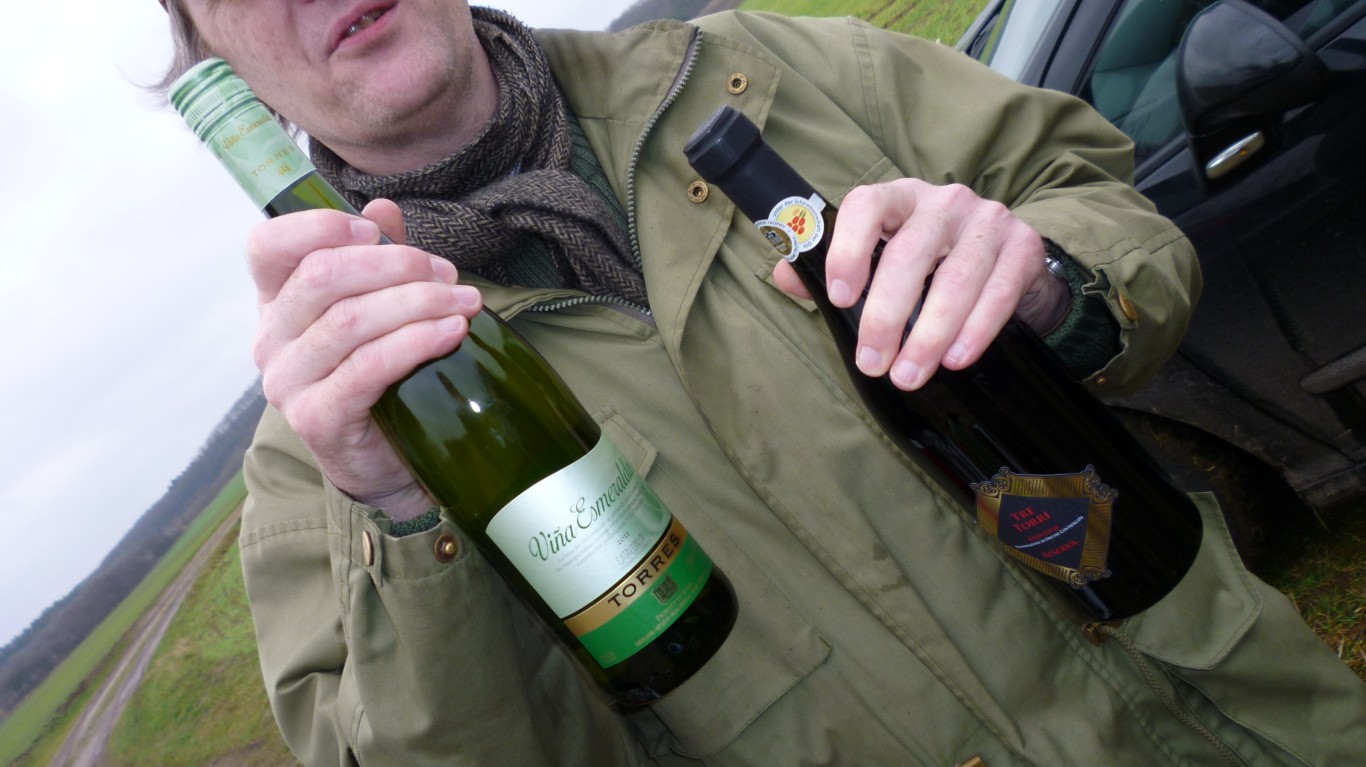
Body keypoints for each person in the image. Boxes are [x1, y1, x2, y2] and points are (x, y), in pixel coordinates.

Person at [155, 1, 1365, 765]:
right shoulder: (323, 464)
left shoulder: (766, 69)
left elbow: (1096, 192)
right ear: (218, 67)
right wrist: (403, 517)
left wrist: (1047, 276)